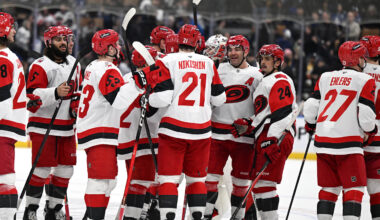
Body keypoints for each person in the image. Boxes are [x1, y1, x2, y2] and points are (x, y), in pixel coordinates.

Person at [76, 29, 167, 219]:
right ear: (107, 47)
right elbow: (118, 100)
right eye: (115, 45)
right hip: (99, 131)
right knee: (101, 181)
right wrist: (141, 80)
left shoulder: (94, 66)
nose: (118, 48)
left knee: (108, 182)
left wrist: (138, 81)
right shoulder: (107, 69)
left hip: (98, 129)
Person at [149, 24, 226, 220]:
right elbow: (220, 99)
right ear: (197, 42)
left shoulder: (167, 60)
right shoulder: (208, 63)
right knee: (197, 180)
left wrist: (148, 99)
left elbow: (163, 98)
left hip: (173, 129)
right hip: (201, 130)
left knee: (168, 180)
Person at [304, 41, 377, 220]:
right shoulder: (365, 79)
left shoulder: (325, 76)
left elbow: (310, 107)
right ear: (357, 59)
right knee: (354, 189)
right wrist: (371, 130)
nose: (364, 60)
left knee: (328, 189)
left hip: (322, 143)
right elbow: (366, 116)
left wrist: (311, 124)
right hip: (348, 144)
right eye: (362, 57)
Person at [232, 44, 297, 219]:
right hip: (268, 135)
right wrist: (249, 124)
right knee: (261, 187)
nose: (263, 62)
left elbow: (282, 112)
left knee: (265, 186)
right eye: (261, 59)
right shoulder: (266, 80)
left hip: (276, 136)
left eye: (268, 59)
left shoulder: (280, 79)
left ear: (277, 62)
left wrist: (271, 139)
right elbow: (265, 113)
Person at [24, 25, 80, 220]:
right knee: (42, 168)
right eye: (58, 39)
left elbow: (78, 93)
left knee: (66, 168)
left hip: (66, 126)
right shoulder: (39, 65)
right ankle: (31, 209)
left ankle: (54, 209)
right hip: (43, 124)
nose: (63, 43)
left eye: (65, 39)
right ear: (48, 42)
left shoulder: (75, 63)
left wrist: (75, 104)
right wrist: (55, 92)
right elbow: (31, 96)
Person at [204, 35, 262, 220]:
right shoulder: (217, 69)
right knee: (209, 180)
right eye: (230, 49)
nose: (233, 53)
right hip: (216, 136)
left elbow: (263, 107)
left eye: (237, 49)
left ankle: (239, 217)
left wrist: (251, 122)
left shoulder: (257, 75)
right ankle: (206, 215)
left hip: (243, 138)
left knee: (240, 183)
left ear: (246, 51)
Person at [117, 45, 163, 220]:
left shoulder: (127, 78)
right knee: (141, 181)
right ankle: (134, 216)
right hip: (142, 137)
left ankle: (136, 214)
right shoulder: (149, 81)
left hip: (127, 136)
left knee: (138, 180)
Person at [0, 12, 27, 219]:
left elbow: (3, 97)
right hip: (7, 126)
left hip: (3, 126)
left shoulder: (4, 58)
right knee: (5, 179)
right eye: (11, 27)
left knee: (5, 180)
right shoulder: (9, 57)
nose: (14, 31)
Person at [360, 35, 380, 220]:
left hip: (356, 138)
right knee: (377, 190)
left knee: (352, 190)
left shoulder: (356, 72)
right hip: (379, 139)